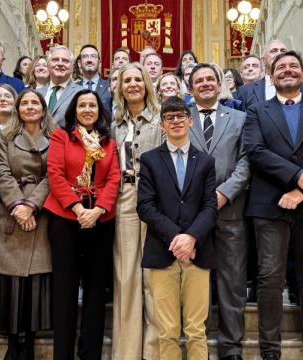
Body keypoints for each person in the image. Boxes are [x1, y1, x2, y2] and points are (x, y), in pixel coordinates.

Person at [243, 50, 303, 360]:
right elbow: (255, 152)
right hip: (269, 204)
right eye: (280, 67)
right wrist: (297, 175)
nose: (287, 70)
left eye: (293, 66)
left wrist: (301, 190)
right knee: (270, 278)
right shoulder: (258, 110)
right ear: (271, 76)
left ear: (302, 75)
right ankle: (270, 351)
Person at [137, 96, 218, 358]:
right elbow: (145, 206)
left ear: (190, 120)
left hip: (198, 252)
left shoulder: (205, 161)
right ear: (162, 125)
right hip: (162, 251)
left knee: (196, 329)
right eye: (169, 118)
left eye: (180, 116)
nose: (175, 121)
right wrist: (177, 237)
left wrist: (192, 237)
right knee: (168, 330)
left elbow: (210, 207)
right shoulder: (150, 160)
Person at [44, 89, 120, 359]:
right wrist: (77, 208)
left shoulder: (108, 141)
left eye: (92, 105)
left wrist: (97, 210)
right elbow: (54, 173)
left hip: (101, 221)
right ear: (74, 110)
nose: (88, 109)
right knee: (64, 290)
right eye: (82, 105)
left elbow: (114, 178)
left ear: (100, 110)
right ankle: (62, 353)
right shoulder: (61, 136)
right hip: (66, 219)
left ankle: (90, 353)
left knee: (95, 291)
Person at [0, 89, 55, 360]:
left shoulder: (54, 138)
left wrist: (32, 205)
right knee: (11, 280)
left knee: (35, 279)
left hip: (41, 213)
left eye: (35, 102)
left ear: (44, 109)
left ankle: (30, 341)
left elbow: (52, 175)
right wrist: (18, 206)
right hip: (10, 213)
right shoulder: (5, 137)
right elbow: (1, 172)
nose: (30, 107)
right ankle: (13, 342)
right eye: (25, 103)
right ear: (17, 108)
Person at [188, 64, 249, 360]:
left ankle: (231, 347)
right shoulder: (180, 119)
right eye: (198, 81)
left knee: (232, 280)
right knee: (193, 279)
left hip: (230, 210)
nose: (205, 84)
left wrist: (224, 192)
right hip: (191, 214)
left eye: (210, 79)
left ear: (219, 84)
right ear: (190, 89)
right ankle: (195, 342)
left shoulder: (240, 118)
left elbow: (247, 160)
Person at [111, 61, 163, 360]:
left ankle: (154, 352)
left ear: (147, 84)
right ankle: (127, 352)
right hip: (124, 197)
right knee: (126, 276)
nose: (133, 84)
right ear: (120, 87)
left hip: (155, 198)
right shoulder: (114, 124)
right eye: (127, 80)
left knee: (155, 276)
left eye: (138, 79)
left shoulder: (160, 119)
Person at [237, 40, 303, 107]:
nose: (279, 54)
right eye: (274, 51)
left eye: (283, 51)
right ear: (263, 61)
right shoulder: (245, 91)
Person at [36, 45, 82, 126]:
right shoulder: (36, 93)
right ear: (48, 65)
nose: (60, 63)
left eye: (65, 61)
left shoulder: (81, 93)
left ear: (72, 67)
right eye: (55, 60)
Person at [77, 44, 112, 112]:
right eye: (85, 57)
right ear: (79, 63)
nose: (89, 60)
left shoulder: (110, 85)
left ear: (100, 63)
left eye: (93, 56)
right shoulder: (72, 88)